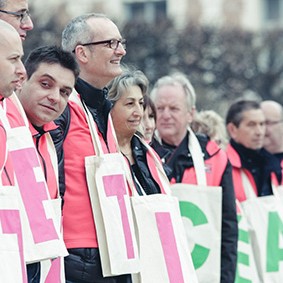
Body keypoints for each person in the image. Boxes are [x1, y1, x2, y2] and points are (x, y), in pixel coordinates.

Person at [51, 13, 129, 283]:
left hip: (111, 249)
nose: (121, 50)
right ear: (81, 53)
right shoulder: (61, 107)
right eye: (111, 43)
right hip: (77, 254)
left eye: (121, 42)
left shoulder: (103, 108)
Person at [150, 72, 238, 283]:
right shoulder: (140, 153)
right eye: (159, 109)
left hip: (202, 272)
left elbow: (227, 227)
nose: (165, 115)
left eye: (174, 108)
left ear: (191, 114)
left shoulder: (214, 156)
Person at [108, 68, 167, 195]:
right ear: (109, 107)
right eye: (130, 104)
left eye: (140, 103)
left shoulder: (149, 153)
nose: (138, 112)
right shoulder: (101, 152)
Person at [225, 99, 281, 202]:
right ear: (232, 129)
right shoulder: (223, 165)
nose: (259, 132)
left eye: (262, 124)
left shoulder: (273, 165)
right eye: (251, 125)